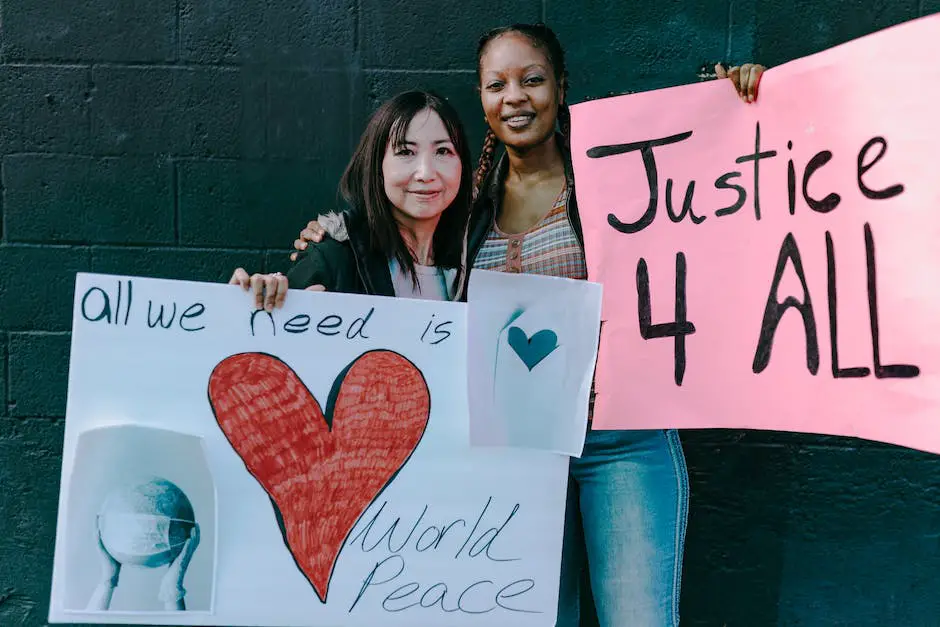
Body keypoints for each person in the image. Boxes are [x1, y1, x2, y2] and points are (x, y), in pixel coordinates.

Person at [286, 24, 764, 627]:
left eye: (532, 79)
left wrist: (734, 109)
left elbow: (710, 195)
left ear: (561, 88)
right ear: (482, 100)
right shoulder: (466, 204)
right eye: (497, 84)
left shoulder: (614, 175)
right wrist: (324, 243)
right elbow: (393, 235)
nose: (515, 96)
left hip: (621, 439)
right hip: (516, 451)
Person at [229, 90, 473, 306]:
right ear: (378, 167)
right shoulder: (334, 258)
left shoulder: (473, 261)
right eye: (406, 152)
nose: (426, 173)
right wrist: (249, 301)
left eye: (443, 151)